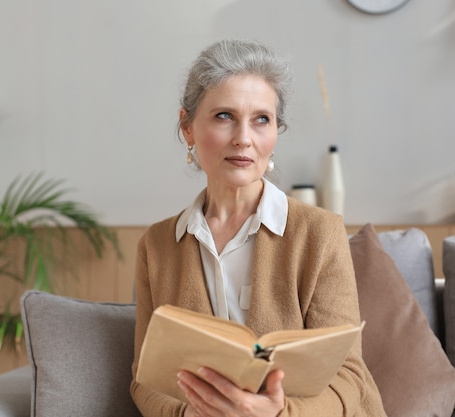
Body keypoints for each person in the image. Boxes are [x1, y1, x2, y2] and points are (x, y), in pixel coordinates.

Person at [130, 39, 386, 417]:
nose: (244, 138)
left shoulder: (320, 233)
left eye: (261, 119)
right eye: (224, 116)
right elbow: (144, 377)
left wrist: (278, 414)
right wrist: (189, 414)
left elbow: (349, 375)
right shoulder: (156, 245)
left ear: (275, 132)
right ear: (187, 127)